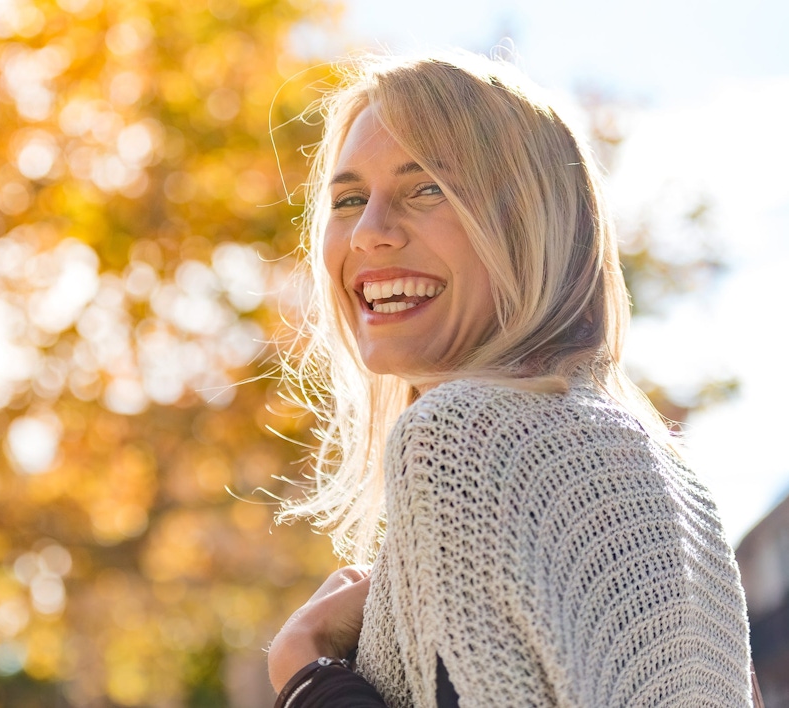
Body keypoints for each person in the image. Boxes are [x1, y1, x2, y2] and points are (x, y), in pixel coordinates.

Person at [266, 50, 755, 707]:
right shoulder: (677, 485)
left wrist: (304, 672)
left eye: (426, 187)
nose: (370, 233)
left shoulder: (460, 435)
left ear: (527, 223)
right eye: (349, 199)